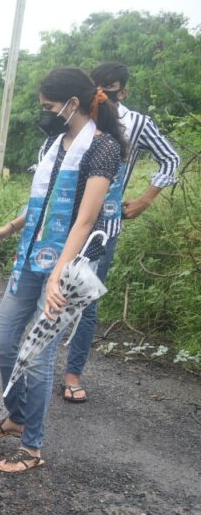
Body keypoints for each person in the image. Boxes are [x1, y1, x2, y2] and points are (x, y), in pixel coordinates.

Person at [0, 67, 125, 473]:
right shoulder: (54, 144)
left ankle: (32, 445)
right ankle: (17, 415)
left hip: (72, 263)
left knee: (38, 356)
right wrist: (7, 228)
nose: (43, 113)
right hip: (34, 255)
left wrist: (59, 273)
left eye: (48, 106)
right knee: (3, 340)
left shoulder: (103, 148)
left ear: (72, 104)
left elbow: (85, 219)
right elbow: (40, 201)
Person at [60, 61, 180, 403]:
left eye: (108, 87)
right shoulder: (75, 118)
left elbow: (170, 159)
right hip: (61, 221)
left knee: (85, 297)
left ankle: (73, 373)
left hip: (104, 226)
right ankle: (35, 367)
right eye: (94, 85)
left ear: (122, 91)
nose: (100, 93)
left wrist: (144, 199)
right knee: (49, 290)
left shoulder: (137, 123)